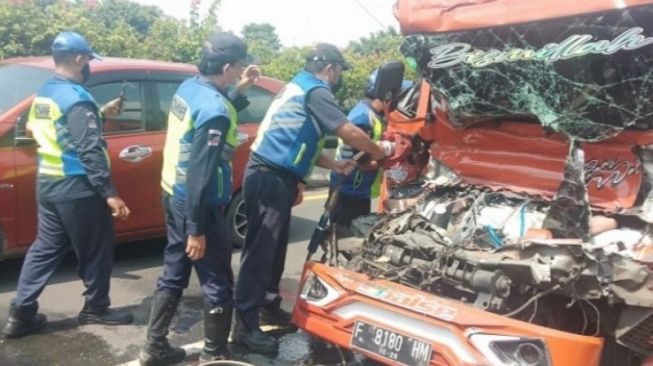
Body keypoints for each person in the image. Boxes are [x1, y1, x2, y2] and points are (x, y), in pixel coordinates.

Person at [234, 43, 389, 354]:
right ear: (330, 68)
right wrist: (381, 150)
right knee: (260, 252)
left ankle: (266, 306)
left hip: (275, 177)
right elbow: (348, 132)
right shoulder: (316, 91)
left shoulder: (299, 85)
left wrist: (333, 164)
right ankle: (245, 328)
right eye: (340, 71)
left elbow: (300, 139)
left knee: (274, 251)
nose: (340, 77)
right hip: (269, 177)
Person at [138, 32, 260, 366]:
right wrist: (196, 229)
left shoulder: (190, 88)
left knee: (174, 271)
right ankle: (215, 353)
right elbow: (200, 172)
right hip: (200, 204)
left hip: (173, 194)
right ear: (226, 65)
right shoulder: (214, 109)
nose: (240, 70)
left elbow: (212, 111)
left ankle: (154, 347)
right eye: (238, 66)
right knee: (218, 279)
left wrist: (241, 89)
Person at [2, 31, 132, 339]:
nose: (88, 64)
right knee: (96, 250)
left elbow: (41, 129)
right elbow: (88, 150)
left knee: (44, 248)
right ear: (78, 59)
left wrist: (99, 114)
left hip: (48, 182)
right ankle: (96, 309)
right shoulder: (77, 99)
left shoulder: (45, 92)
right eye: (87, 58)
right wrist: (109, 193)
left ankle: (21, 312)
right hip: (77, 186)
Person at [329, 69, 412, 233]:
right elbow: (361, 163)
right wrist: (391, 158)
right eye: (399, 96)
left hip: (356, 189)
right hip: (350, 191)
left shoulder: (370, 113)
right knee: (347, 237)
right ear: (387, 95)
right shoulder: (363, 119)